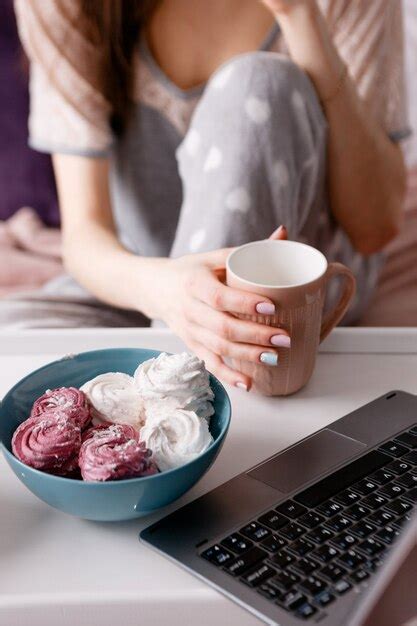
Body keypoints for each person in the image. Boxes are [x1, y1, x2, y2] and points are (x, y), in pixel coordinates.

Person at [9, 0, 409, 390]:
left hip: (295, 295)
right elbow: (85, 236)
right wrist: (166, 293)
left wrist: (300, 16)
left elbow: (375, 228)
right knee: (15, 355)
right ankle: (178, 365)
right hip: (145, 277)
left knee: (258, 83)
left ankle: (177, 387)